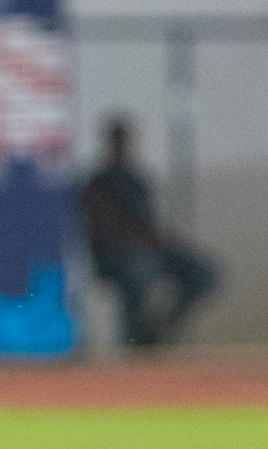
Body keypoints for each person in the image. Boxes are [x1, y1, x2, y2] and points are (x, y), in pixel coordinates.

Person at [79, 117, 218, 346]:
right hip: (117, 255)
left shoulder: (137, 180)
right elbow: (102, 228)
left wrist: (166, 242)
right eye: (118, 139)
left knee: (203, 273)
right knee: (136, 275)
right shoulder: (97, 183)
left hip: (150, 250)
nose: (123, 144)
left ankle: (158, 331)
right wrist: (142, 242)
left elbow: (152, 224)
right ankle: (135, 344)